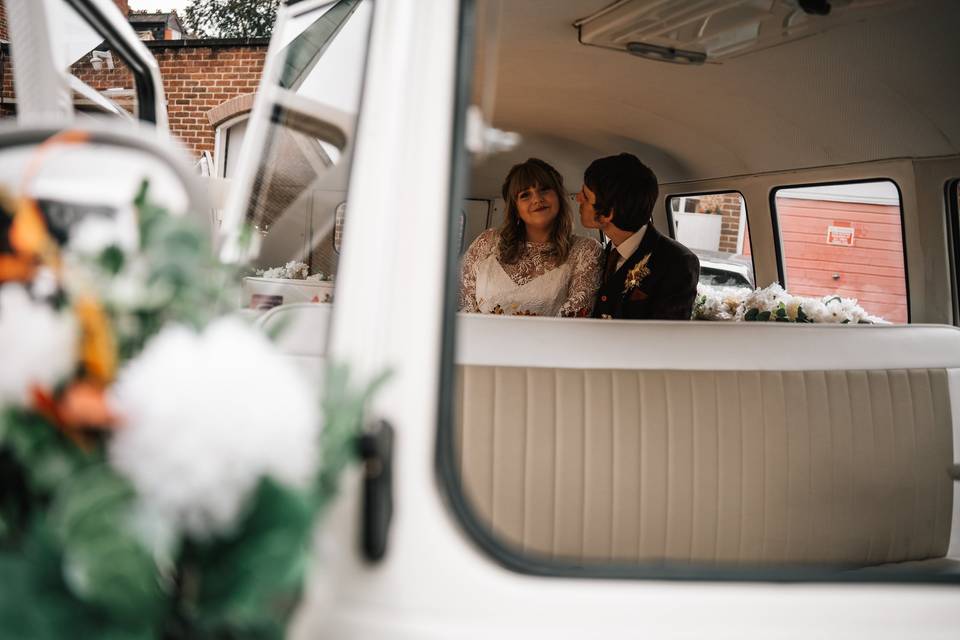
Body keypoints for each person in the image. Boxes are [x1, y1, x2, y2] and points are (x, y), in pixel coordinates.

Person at [459, 158, 602, 317]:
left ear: (559, 197)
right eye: (525, 195)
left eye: (544, 190)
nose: (537, 199)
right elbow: (462, 306)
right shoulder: (487, 242)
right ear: (515, 209)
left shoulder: (585, 251)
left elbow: (574, 320)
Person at [576, 153, 699, 320]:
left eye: (586, 196)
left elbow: (666, 338)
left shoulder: (677, 262)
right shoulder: (599, 254)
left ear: (607, 214)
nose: (577, 198)